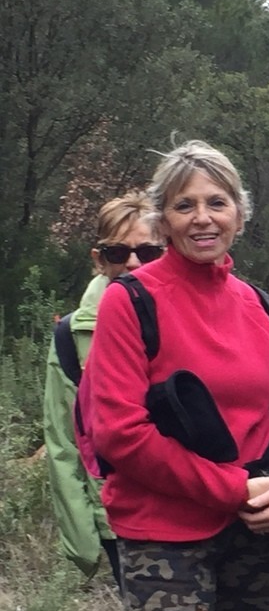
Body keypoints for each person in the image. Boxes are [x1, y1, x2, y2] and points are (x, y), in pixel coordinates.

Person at [87, 140, 269, 611]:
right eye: (183, 205)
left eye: (216, 202)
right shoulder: (130, 302)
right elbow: (120, 432)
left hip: (252, 536)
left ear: (239, 213)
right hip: (164, 538)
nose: (202, 218)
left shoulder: (259, 308)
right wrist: (232, 489)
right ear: (162, 218)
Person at [42, 192, 164, 588]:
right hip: (119, 516)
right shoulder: (71, 335)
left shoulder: (193, 314)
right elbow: (62, 441)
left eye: (147, 252)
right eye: (118, 252)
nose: (132, 263)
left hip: (198, 504)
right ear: (99, 258)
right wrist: (82, 536)